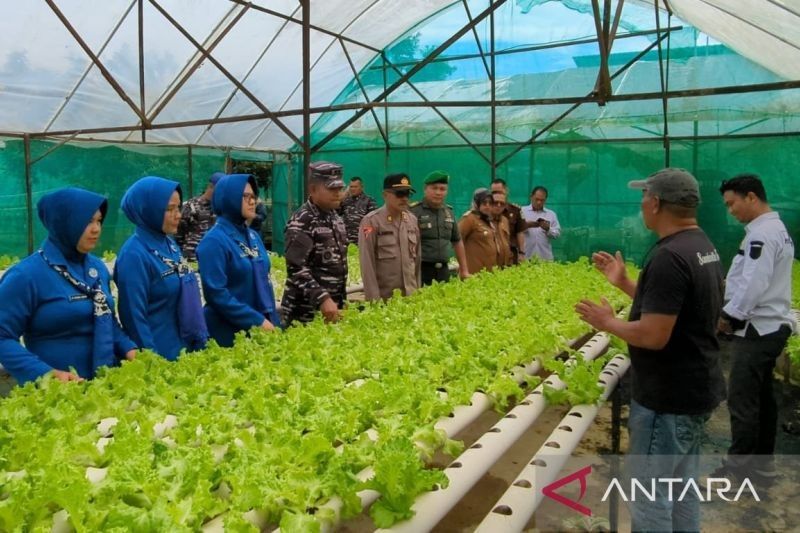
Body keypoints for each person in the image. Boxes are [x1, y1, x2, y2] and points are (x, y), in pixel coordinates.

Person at [575, 168, 725, 532]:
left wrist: (607, 323)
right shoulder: (701, 246)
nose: (641, 204)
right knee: (681, 488)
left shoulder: (669, 256)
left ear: (656, 203)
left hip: (666, 400)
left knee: (649, 495)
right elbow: (676, 311)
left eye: (644, 197)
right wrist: (626, 282)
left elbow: (655, 335)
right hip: (695, 388)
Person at [0, 188, 137, 385]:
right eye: (87, 221)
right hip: (58, 395)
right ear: (63, 223)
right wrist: (46, 374)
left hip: (106, 386)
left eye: (99, 221)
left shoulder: (97, 267)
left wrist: (129, 349)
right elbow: (2, 337)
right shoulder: (27, 276)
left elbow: (108, 322)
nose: (96, 228)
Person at [712, 174, 795, 481]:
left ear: (751, 197)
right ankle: (762, 463)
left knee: (742, 398)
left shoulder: (762, 234)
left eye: (732, 203)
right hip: (769, 326)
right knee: (762, 398)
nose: (730, 210)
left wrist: (729, 316)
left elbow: (754, 283)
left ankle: (738, 469)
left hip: (758, 328)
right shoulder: (775, 229)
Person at [114, 176, 208, 361]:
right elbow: (134, 317)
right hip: (161, 354)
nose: (178, 215)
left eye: (178, 207)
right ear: (148, 210)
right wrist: (152, 360)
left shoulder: (168, 243)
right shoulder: (134, 254)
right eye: (169, 209)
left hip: (184, 349)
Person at [196, 174, 281, 347]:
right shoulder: (214, 241)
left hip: (263, 328)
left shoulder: (253, 236)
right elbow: (216, 293)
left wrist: (271, 319)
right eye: (245, 197)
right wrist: (256, 321)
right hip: (230, 334)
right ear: (228, 198)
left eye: (253, 197)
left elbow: (265, 282)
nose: (252, 202)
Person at [281, 161, 348, 325]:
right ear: (313, 189)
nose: (337, 193)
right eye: (331, 188)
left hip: (332, 309)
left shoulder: (335, 218)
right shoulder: (303, 220)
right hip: (305, 313)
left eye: (339, 188)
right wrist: (323, 298)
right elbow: (296, 268)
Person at [359, 174, 421, 301]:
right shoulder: (371, 221)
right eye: (399, 194)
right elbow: (367, 263)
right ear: (385, 195)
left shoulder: (412, 220)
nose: (404, 198)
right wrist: (374, 301)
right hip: (386, 299)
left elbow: (417, 261)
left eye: (407, 194)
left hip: (410, 296)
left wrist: (418, 292)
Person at [410, 170, 470, 285]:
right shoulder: (414, 212)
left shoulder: (449, 212)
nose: (438, 192)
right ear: (425, 189)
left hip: (443, 270)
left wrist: (464, 270)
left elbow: (457, 241)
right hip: (420, 270)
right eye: (434, 188)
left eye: (442, 189)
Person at [458, 188, 508, 274]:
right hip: (473, 274)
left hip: (489, 274)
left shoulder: (488, 220)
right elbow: (457, 241)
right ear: (477, 203)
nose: (487, 206)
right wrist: (463, 268)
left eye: (490, 203)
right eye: (484, 203)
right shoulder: (469, 219)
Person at [176, 171, 224, 261]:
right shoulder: (191, 206)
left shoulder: (221, 208)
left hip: (213, 257)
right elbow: (179, 233)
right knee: (193, 274)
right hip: (192, 257)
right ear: (211, 187)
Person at [490, 178, 527, 264]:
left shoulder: (515, 210)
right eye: (493, 192)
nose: (497, 195)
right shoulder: (486, 210)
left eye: (499, 192)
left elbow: (520, 232)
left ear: (506, 191)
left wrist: (521, 253)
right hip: (491, 252)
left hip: (510, 253)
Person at [521, 185, 561, 261]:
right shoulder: (522, 211)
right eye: (537, 199)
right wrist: (527, 225)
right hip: (526, 257)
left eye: (542, 200)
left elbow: (557, 234)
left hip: (545, 258)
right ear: (531, 197)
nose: (539, 202)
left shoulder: (551, 214)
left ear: (545, 200)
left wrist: (548, 229)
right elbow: (515, 231)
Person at [339, 176, 378, 244]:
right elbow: (336, 214)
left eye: (355, 187)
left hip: (362, 241)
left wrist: (366, 238)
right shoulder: (346, 201)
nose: (353, 189)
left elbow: (373, 221)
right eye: (351, 187)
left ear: (362, 187)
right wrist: (341, 199)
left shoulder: (369, 201)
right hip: (346, 241)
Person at [489, 190, 514, 267]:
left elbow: (507, 242)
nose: (499, 205)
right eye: (495, 202)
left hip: (503, 268)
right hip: (484, 269)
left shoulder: (505, 220)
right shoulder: (479, 219)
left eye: (502, 203)